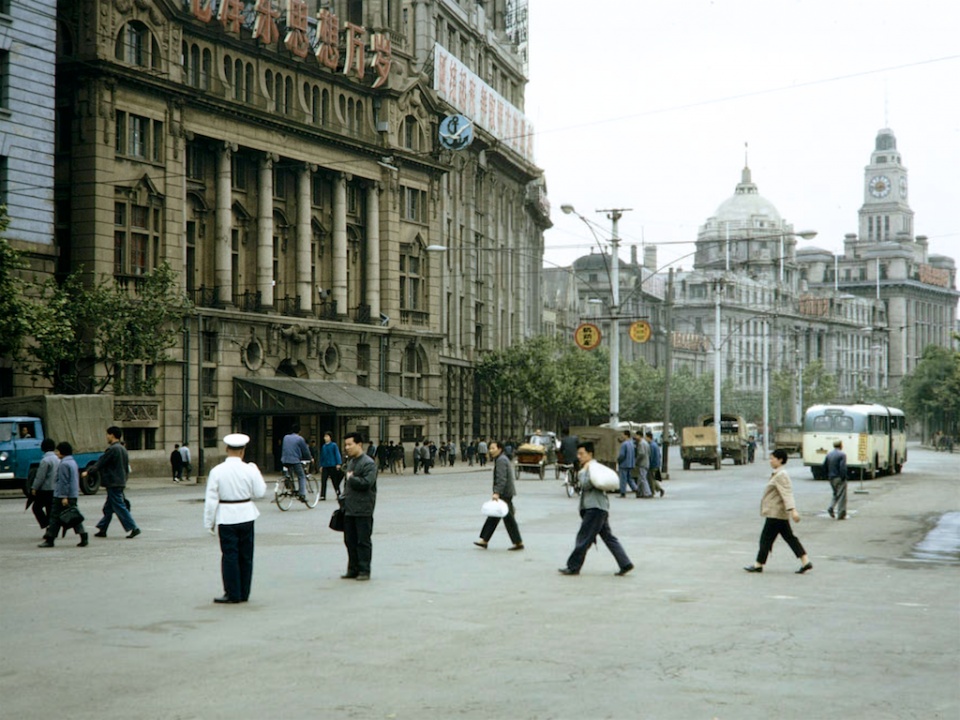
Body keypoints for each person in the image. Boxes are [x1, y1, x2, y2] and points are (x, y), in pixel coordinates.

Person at [203, 433, 267, 603]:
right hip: (246, 514)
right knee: (246, 555)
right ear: (243, 451)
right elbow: (260, 493)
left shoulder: (217, 471)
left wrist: (209, 522)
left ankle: (233, 593)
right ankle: (244, 592)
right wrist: (256, 472)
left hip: (226, 516)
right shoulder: (249, 469)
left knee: (230, 555)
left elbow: (211, 500)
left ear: (226, 449)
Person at [559, 441, 633, 576]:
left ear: (590, 454)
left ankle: (573, 566)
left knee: (583, 537)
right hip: (600, 507)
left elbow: (586, 485)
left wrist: (582, 472)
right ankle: (625, 563)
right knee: (608, 537)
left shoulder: (591, 468)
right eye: (578, 454)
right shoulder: (594, 468)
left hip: (594, 509)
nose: (579, 456)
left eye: (582, 454)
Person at [744, 449, 812, 574]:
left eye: (772, 458)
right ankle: (805, 561)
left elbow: (787, 493)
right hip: (779, 514)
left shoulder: (781, 475)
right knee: (789, 538)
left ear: (780, 460)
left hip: (776, 513)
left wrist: (793, 510)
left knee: (765, 539)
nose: (770, 461)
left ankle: (758, 564)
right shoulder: (778, 473)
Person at [86, 426, 140, 539]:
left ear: (112, 435)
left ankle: (133, 527)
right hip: (119, 481)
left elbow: (101, 462)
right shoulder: (122, 449)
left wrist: (89, 472)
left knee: (119, 506)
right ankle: (103, 528)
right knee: (108, 508)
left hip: (113, 482)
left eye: (107, 434)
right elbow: (126, 467)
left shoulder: (113, 449)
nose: (106, 437)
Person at [473, 441, 524, 551]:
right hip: (506, 492)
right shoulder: (502, 459)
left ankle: (518, 542)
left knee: (507, 518)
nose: (490, 450)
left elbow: (502, 478)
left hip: (504, 493)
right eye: (490, 448)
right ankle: (485, 540)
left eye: (493, 448)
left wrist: (497, 492)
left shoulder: (501, 460)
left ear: (499, 449)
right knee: (494, 516)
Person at [341, 431, 377, 581]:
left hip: (363, 509)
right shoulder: (351, 462)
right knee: (350, 540)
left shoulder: (368, 463)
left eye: (350, 444)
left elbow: (367, 483)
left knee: (363, 541)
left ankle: (364, 570)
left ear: (359, 445)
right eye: (346, 445)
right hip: (349, 509)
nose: (347, 448)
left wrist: (352, 478)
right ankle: (353, 568)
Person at [39, 442, 88, 547]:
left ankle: (50, 539)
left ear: (62, 452)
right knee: (73, 515)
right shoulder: (72, 462)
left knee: (55, 517)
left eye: (58, 451)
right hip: (73, 494)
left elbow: (63, 482)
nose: (56, 453)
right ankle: (83, 535)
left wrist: (63, 496)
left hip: (62, 495)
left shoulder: (64, 464)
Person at [30, 438, 59, 530]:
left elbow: (40, 477)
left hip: (45, 489)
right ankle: (51, 527)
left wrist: (34, 488)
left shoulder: (45, 461)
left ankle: (46, 524)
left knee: (36, 508)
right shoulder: (58, 459)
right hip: (55, 489)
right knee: (50, 509)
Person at [280, 422, 312, 502]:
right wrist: (310, 458)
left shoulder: (286, 437)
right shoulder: (300, 439)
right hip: (294, 460)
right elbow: (305, 450)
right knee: (301, 476)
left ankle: (292, 489)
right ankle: (302, 494)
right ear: (299, 431)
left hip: (284, 460)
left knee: (290, 475)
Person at [824, 440, 848, 520]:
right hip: (839, 477)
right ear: (841, 446)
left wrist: (828, 475)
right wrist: (843, 477)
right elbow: (842, 467)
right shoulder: (842, 455)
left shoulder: (829, 455)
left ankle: (831, 507)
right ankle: (841, 513)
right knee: (842, 496)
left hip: (831, 478)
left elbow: (824, 466)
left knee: (835, 494)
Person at [318, 431, 342, 501]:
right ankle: (322, 495)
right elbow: (322, 456)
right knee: (323, 481)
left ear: (330, 437)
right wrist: (321, 465)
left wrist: (338, 463)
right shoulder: (324, 446)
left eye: (327, 436)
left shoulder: (334, 445)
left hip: (332, 465)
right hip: (325, 465)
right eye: (325, 437)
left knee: (334, 480)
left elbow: (337, 454)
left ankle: (338, 493)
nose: (325, 438)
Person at [617, 430, 638, 497]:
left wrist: (618, 460)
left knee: (623, 479)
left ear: (626, 435)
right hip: (630, 463)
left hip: (624, 464)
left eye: (623, 435)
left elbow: (622, 455)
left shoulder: (624, 444)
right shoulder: (631, 443)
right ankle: (636, 489)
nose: (622, 436)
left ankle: (623, 492)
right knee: (629, 478)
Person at [646, 430, 665, 498]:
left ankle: (652, 492)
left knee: (651, 479)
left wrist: (649, 464)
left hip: (652, 465)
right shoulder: (655, 444)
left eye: (646, 438)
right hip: (656, 464)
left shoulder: (651, 445)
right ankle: (660, 489)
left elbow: (651, 456)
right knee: (653, 479)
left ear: (649, 437)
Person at [635, 430, 653, 498]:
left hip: (642, 463)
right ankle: (639, 492)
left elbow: (641, 454)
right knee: (640, 478)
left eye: (636, 435)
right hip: (646, 462)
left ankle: (647, 493)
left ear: (639, 436)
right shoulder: (646, 443)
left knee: (643, 478)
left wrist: (636, 461)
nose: (636, 437)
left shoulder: (641, 443)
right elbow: (649, 453)